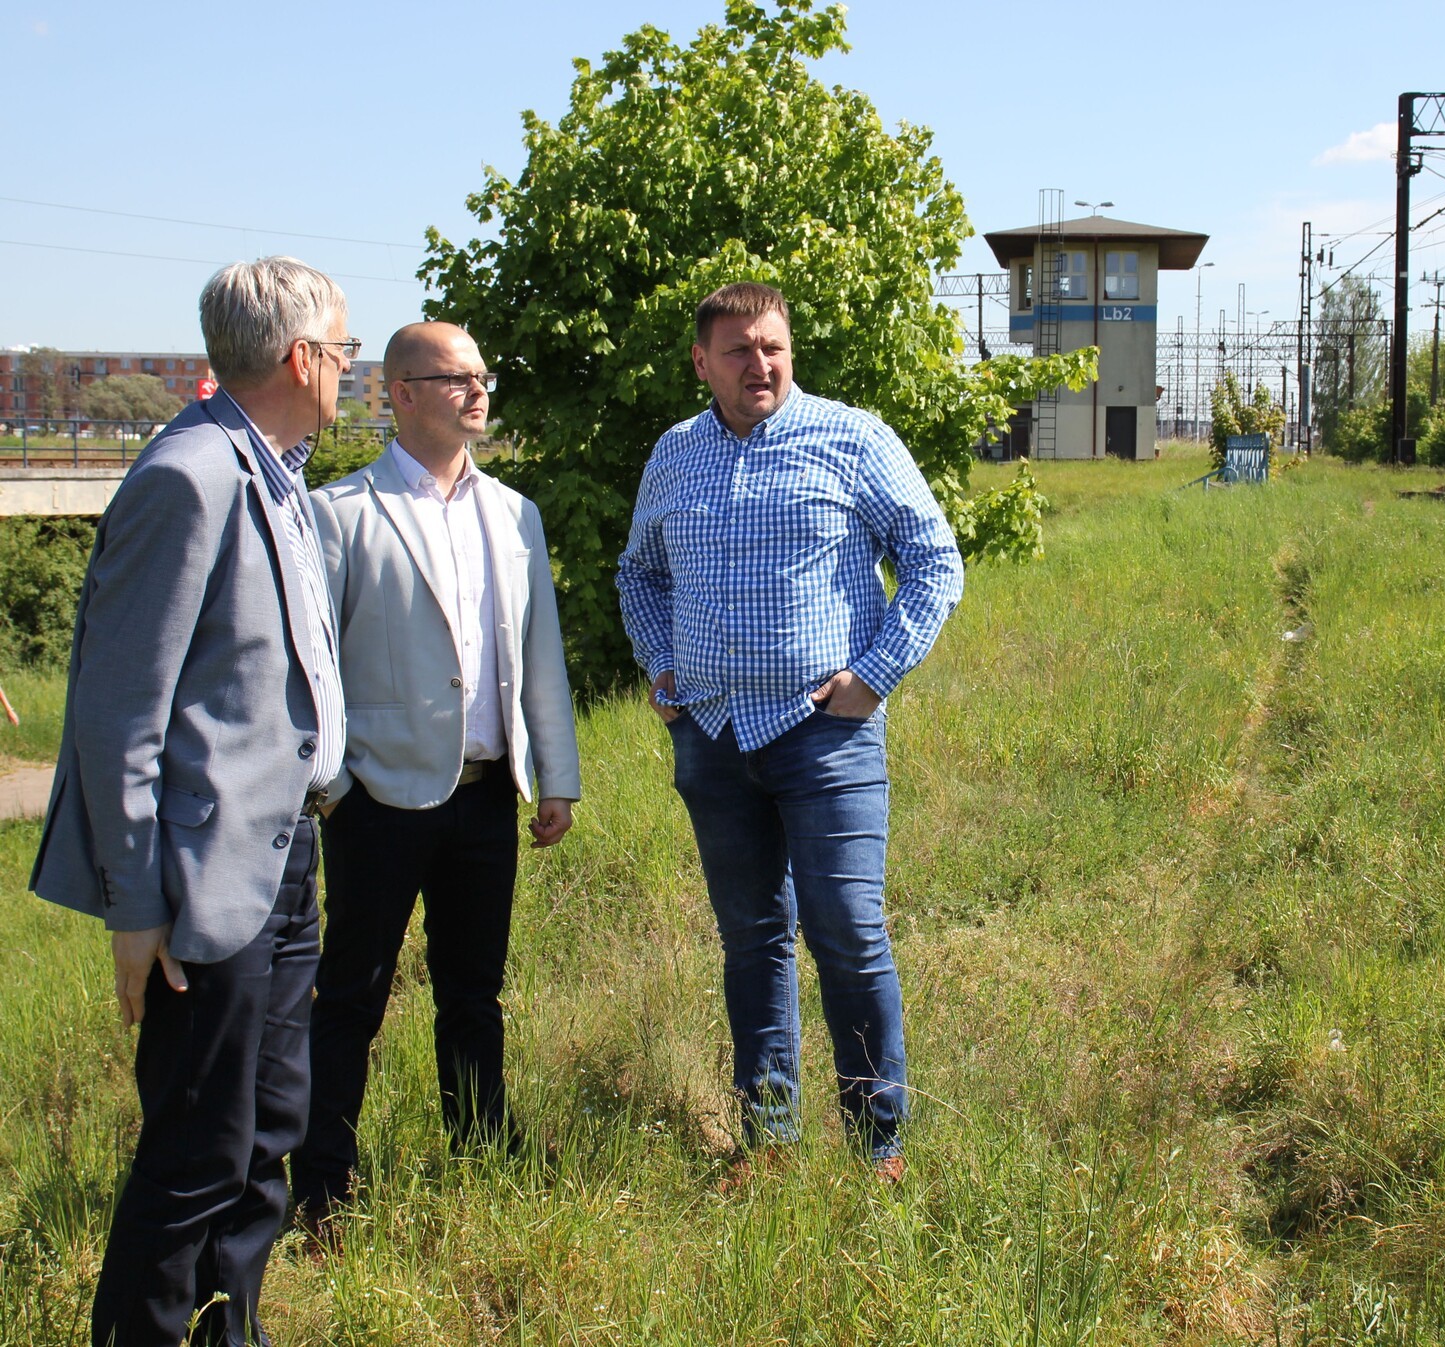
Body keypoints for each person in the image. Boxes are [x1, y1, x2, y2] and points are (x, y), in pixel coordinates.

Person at [31, 256, 352, 1347]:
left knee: (265, 1139)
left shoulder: (276, 472)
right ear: (303, 358)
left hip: (286, 856)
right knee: (195, 1153)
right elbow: (118, 714)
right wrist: (135, 905)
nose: (347, 368)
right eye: (345, 350)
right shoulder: (190, 475)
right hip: (206, 880)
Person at [615, 282, 963, 1180]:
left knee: (848, 930)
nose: (758, 364)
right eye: (737, 349)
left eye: (771, 346)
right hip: (711, 735)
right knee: (752, 937)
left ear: (790, 350)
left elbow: (934, 559)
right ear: (703, 361)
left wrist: (875, 675)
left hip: (824, 735)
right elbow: (639, 572)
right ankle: (768, 1137)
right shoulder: (674, 453)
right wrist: (661, 663)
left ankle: (878, 1144)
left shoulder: (854, 438)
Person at [290, 322, 581, 1226]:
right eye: (456, 377)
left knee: (473, 993)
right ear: (402, 392)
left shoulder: (515, 513)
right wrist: (334, 788)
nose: (477, 389)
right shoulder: (339, 513)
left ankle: (484, 1152)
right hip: (378, 800)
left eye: (481, 375)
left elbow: (539, 653)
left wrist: (555, 774)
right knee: (351, 997)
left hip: (487, 795)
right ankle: (323, 1185)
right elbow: (313, 666)